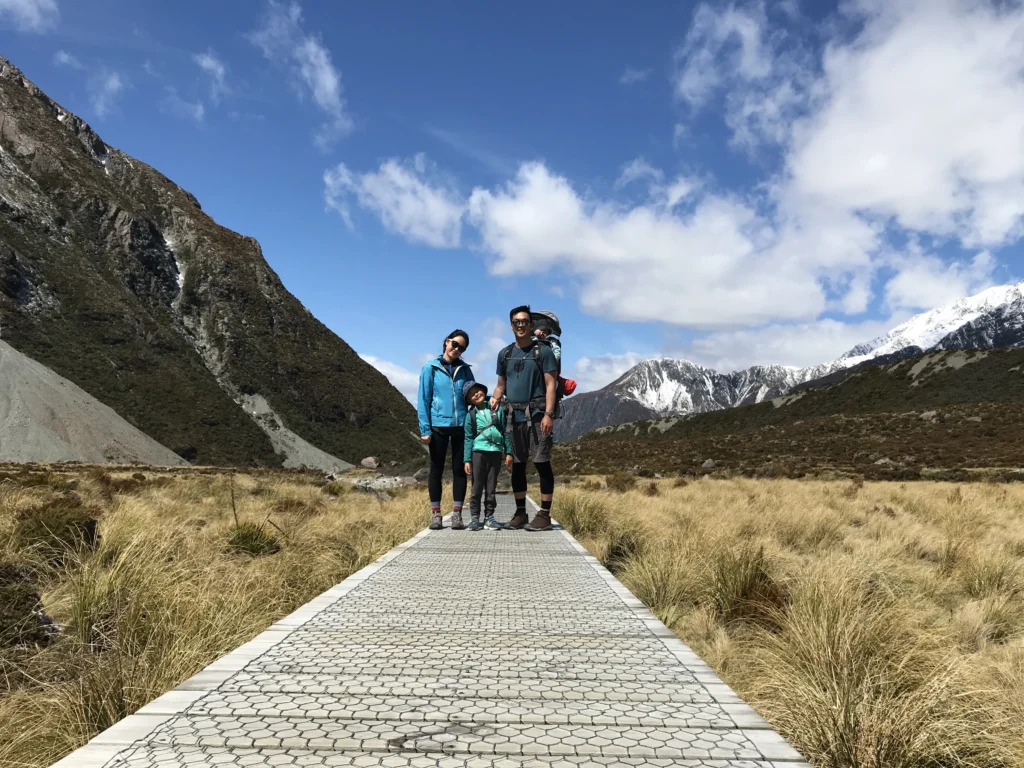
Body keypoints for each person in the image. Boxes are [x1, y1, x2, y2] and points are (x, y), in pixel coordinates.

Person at [490, 305, 558, 531]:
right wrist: (494, 399)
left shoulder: (543, 352)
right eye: (517, 322)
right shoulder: (505, 354)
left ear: (531, 325)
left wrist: (548, 414)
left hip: (538, 415)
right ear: (511, 326)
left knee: (541, 463)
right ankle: (521, 513)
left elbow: (551, 385)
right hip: (513, 416)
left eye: (525, 321)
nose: (521, 325)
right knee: (517, 466)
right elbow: (501, 385)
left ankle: (545, 514)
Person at [417, 330, 474, 530]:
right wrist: (425, 428)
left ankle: (457, 515)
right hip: (438, 426)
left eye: (462, 348)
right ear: (447, 342)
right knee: (436, 470)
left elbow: (473, 395)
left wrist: (489, 400)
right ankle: (436, 515)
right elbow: (423, 400)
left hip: (461, 427)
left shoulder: (465, 370)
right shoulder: (430, 368)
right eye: (455, 344)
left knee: (460, 471)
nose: (457, 349)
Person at [462, 381, 512, 531]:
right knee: (476, 487)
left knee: (491, 487)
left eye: (478, 390)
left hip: (496, 453)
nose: (476, 394)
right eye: (472, 394)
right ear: (469, 400)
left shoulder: (497, 409)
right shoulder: (470, 415)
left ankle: (489, 517)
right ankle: (475, 518)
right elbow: (468, 438)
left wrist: (508, 452)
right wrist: (467, 459)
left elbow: (505, 431)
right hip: (478, 452)